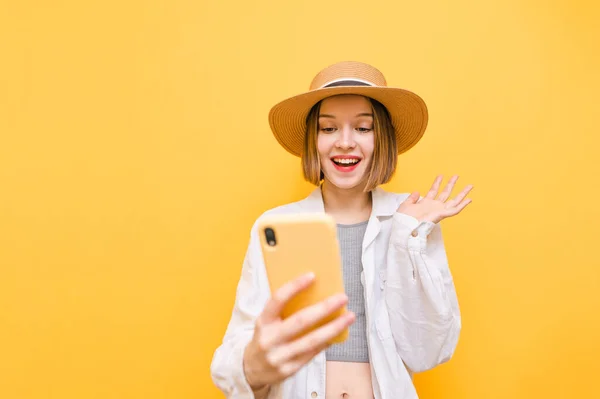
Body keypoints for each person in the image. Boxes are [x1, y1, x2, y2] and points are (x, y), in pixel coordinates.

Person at [210, 61, 473, 399]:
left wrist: (407, 237)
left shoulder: (411, 221)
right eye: (328, 128)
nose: (345, 142)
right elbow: (233, 361)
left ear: (382, 140)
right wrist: (254, 365)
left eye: (363, 128)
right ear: (313, 140)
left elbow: (427, 352)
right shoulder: (276, 226)